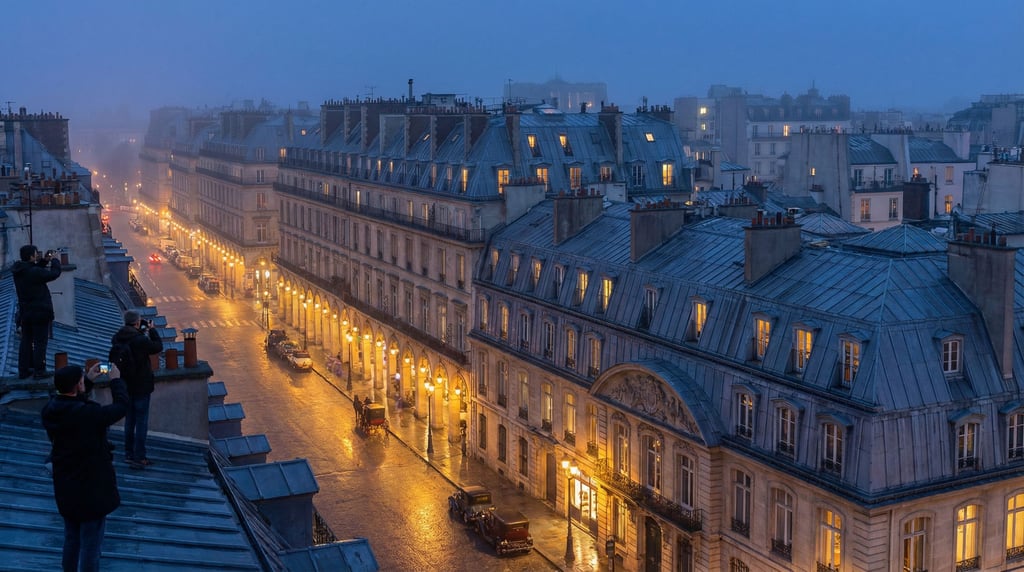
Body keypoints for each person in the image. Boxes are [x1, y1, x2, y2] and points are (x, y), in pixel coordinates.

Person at [41, 363, 128, 572]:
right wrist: (116, 379)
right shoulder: (88, 414)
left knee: (71, 539)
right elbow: (121, 407)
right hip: (91, 488)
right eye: (81, 380)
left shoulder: (50, 410)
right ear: (76, 385)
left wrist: (87, 380)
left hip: (66, 486)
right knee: (91, 545)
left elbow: (70, 402)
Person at [110, 310, 163, 468]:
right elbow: (157, 346)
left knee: (129, 421)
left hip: (126, 385)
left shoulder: (117, 338)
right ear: (138, 322)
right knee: (141, 422)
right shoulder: (140, 340)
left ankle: (128, 454)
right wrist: (152, 330)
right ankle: (139, 457)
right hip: (141, 386)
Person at [13, 244, 62, 379]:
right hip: (40, 311)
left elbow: (33, 270)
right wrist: (55, 260)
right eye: (35, 254)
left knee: (26, 341)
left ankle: (24, 370)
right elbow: (54, 274)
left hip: (26, 312)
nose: (37, 256)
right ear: (30, 256)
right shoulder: (34, 272)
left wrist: (44, 261)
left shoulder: (19, 271)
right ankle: (39, 371)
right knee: (40, 342)